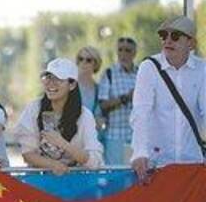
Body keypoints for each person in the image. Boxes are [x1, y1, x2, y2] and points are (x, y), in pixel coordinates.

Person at [130, 16, 206, 184]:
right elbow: (141, 112)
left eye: (176, 36)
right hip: (155, 166)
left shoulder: (203, 69)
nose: (168, 41)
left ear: (191, 44)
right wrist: (140, 153)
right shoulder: (148, 67)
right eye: (164, 35)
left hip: (192, 163)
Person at [16, 58, 104, 174]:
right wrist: (53, 165)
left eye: (58, 79)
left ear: (72, 85)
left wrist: (62, 143)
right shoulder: (33, 108)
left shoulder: (85, 115)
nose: (51, 83)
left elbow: (94, 160)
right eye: (48, 77)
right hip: (40, 181)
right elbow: (27, 153)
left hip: (76, 182)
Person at [98, 37, 139, 165]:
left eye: (127, 50)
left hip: (136, 136)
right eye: (120, 50)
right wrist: (126, 97)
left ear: (134, 53)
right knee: (115, 178)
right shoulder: (109, 74)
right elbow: (103, 105)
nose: (123, 54)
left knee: (135, 178)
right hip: (114, 137)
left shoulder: (141, 73)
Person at [76, 46, 103, 118]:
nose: (83, 62)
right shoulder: (69, 85)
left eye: (88, 60)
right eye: (81, 59)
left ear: (95, 64)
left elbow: (99, 115)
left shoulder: (98, 89)